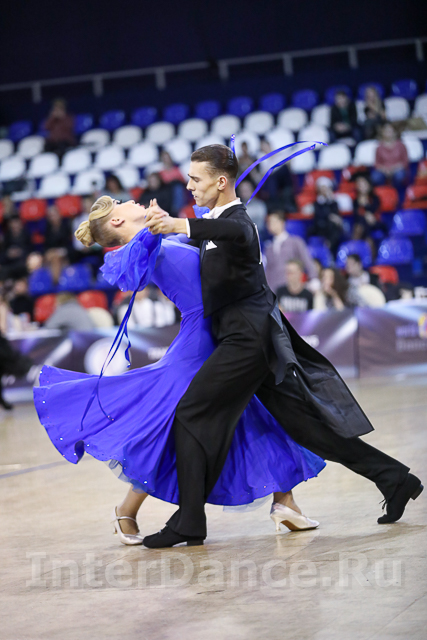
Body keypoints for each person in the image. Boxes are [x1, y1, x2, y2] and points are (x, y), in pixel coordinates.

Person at [142, 144, 421, 548]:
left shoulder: (239, 222)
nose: (189, 186)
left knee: (190, 413)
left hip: (248, 341)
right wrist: (154, 227)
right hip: (250, 343)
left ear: (221, 182)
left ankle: (189, 522)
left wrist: (179, 225)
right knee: (309, 428)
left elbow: (235, 233)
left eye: (195, 179)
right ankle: (395, 479)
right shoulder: (214, 224)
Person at [34, 195, 325, 544]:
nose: (133, 200)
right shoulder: (140, 247)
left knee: (255, 414)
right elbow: (132, 267)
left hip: (222, 333)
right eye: (124, 203)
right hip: (197, 347)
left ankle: (285, 501)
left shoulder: (163, 236)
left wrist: (207, 219)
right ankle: (126, 510)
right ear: (116, 222)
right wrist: (158, 227)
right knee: (172, 429)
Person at [264, 210, 318, 293]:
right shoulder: (269, 247)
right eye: (269, 222)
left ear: (282, 223)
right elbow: (268, 271)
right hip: (273, 290)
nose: (270, 225)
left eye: (273, 222)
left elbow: (307, 261)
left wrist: (314, 278)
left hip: (291, 289)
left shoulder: (295, 242)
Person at [351, 174, 387, 256]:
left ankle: (354, 251)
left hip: (375, 223)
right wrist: (365, 213)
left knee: (360, 227)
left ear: (369, 185)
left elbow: (374, 212)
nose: (361, 186)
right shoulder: (355, 201)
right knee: (362, 231)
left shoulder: (375, 198)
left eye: (363, 184)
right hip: (362, 224)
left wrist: (365, 212)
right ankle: (356, 254)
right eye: (359, 184)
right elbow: (357, 216)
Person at [307, 177, 343, 256]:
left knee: (335, 227)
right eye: (322, 188)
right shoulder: (316, 203)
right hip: (320, 227)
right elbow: (320, 216)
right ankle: (328, 249)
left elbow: (336, 215)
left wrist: (329, 200)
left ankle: (329, 248)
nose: (324, 190)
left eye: (326, 187)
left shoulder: (333, 203)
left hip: (331, 227)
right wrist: (330, 216)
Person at [371, 123, 409, 191]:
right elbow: (377, 163)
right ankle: (382, 193)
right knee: (375, 177)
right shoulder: (379, 147)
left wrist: (395, 168)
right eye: (386, 131)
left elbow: (405, 161)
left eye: (390, 131)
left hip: (398, 169)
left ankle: (397, 193)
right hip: (384, 170)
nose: (388, 133)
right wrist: (384, 169)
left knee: (399, 176)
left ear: (394, 133)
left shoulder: (401, 145)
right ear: (382, 133)